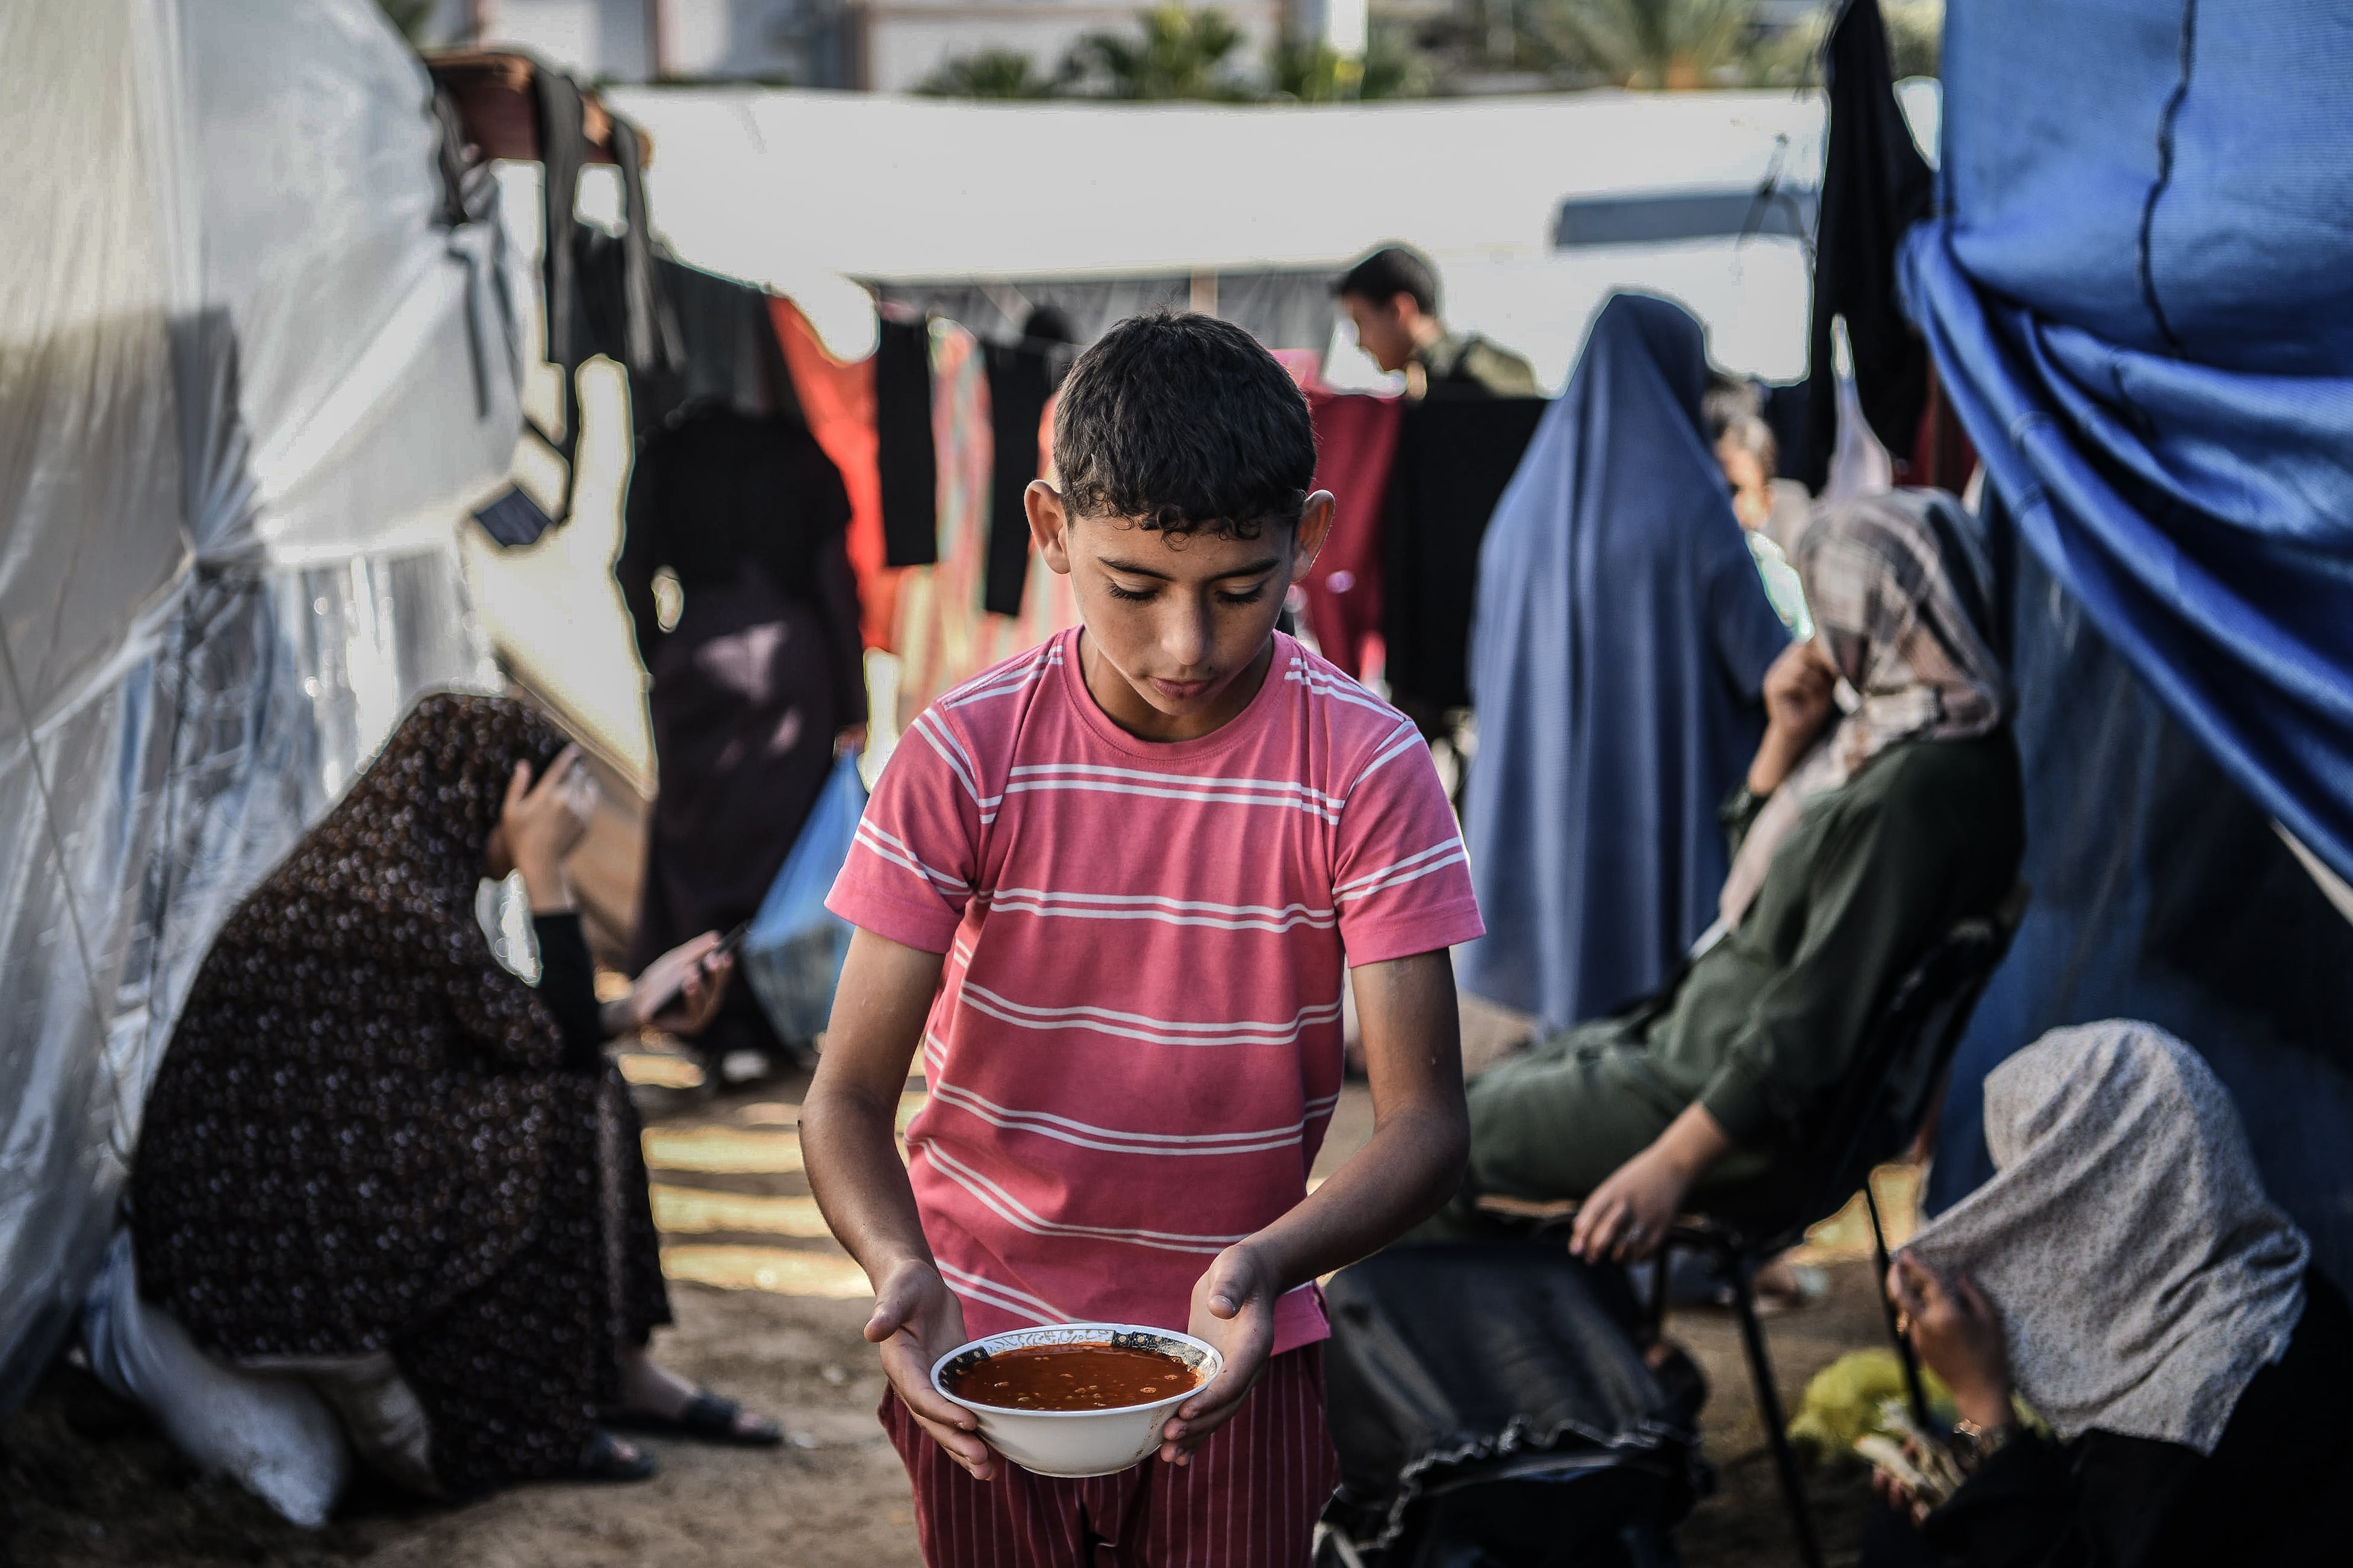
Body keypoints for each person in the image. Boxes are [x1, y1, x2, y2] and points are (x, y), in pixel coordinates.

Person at [799, 312, 1485, 1563]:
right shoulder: (966, 754)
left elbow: (1426, 1129)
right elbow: (843, 1099)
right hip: (983, 1338)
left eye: (1239, 589)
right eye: (1135, 588)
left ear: (1309, 538)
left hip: (1241, 1348)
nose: (1189, 644)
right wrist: (900, 1266)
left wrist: (1266, 1270)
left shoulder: (1368, 767)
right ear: (1051, 531)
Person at [132, 693, 780, 1498]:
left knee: (581, 1084)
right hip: (269, 1243)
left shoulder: (394, 869)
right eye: (543, 806)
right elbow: (552, 1046)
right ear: (492, 793)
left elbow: (517, 1027)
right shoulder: (391, 901)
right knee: (564, 1107)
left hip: (294, 1198)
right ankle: (525, 1425)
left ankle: (620, 1372)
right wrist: (546, 875)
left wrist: (633, 1007)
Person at [1434, 488, 2022, 1256]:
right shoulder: (1935, 737)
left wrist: (1671, 1166)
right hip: (1696, 1054)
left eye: (1827, 609)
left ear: (1876, 610)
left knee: (1435, 1153)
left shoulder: (1913, 793)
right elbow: (1778, 885)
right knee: (1463, 1104)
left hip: (1722, 1109)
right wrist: (1785, 742)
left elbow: (1811, 1021)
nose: (1819, 636)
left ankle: (1519, 1362)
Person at [1868, 1021, 2353, 1567]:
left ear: (2089, 1202)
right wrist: (1969, 1445)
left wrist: (1981, 1399)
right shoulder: (2272, 1286)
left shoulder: (2191, 1411)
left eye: (2026, 1195)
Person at [1459, 293, 1794, 1033]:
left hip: (1545, 818)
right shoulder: (1691, 508)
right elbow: (1769, 667)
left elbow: (1484, 673)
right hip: (1661, 815)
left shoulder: (1517, 516)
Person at [616, 403, 868, 1083]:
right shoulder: (798, 452)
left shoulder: (666, 447)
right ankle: (769, 1023)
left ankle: (714, 1026)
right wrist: (852, 698)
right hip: (794, 665)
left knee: (701, 846)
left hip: (696, 661)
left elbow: (631, 569)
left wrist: (662, 653)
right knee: (781, 848)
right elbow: (835, 584)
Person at [1334, 243, 1538, 398]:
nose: (1360, 343)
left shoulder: (1463, 377)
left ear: (1400, 310)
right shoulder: (1431, 376)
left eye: (1361, 322)